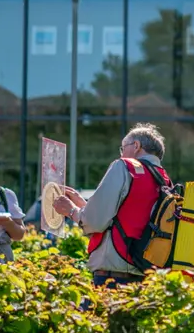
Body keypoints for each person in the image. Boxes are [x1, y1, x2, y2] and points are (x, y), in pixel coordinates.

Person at [53, 123, 169, 288]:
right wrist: (81, 203)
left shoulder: (125, 166)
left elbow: (95, 223)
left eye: (122, 148)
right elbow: (126, 216)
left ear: (136, 146)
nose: (121, 154)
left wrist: (71, 210)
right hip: (146, 275)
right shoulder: (164, 179)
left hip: (113, 276)